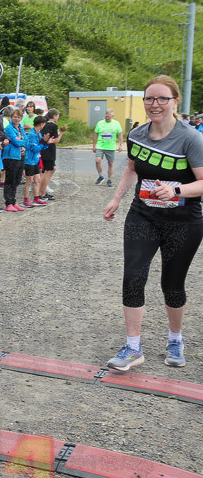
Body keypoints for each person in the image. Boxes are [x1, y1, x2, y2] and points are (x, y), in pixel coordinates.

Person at [103, 76, 203, 370]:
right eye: (149, 99)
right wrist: (117, 199)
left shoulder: (190, 138)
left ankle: (175, 338)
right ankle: (133, 347)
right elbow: (131, 170)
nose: (155, 104)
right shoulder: (137, 134)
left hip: (183, 221)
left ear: (175, 102)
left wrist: (176, 190)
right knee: (132, 277)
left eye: (162, 99)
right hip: (142, 215)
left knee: (172, 285)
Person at [1, 107, 27, 212]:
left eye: (18, 117)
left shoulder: (21, 128)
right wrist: (20, 140)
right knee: (10, 179)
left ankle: (13, 201)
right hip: (11, 156)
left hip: (21, 156)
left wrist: (21, 140)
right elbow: (16, 142)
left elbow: (26, 140)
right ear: (11, 117)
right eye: (14, 117)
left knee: (17, 180)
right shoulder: (8, 129)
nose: (16, 119)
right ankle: (8, 202)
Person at [94, 108, 123, 186]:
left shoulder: (116, 123)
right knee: (98, 160)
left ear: (112, 116)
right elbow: (96, 134)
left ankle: (109, 179)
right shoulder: (100, 123)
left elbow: (120, 134)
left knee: (110, 163)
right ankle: (100, 176)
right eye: (106, 116)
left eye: (109, 116)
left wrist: (121, 145)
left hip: (111, 146)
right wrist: (94, 145)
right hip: (100, 145)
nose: (107, 117)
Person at [39, 109, 65, 200]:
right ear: (54, 116)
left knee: (51, 169)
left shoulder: (44, 125)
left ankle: (42, 191)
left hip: (43, 150)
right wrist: (62, 132)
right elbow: (56, 140)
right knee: (48, 171)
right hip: (49, 150)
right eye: (57, 115)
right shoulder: (53, 126)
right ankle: (42, 193)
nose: (58, 117)